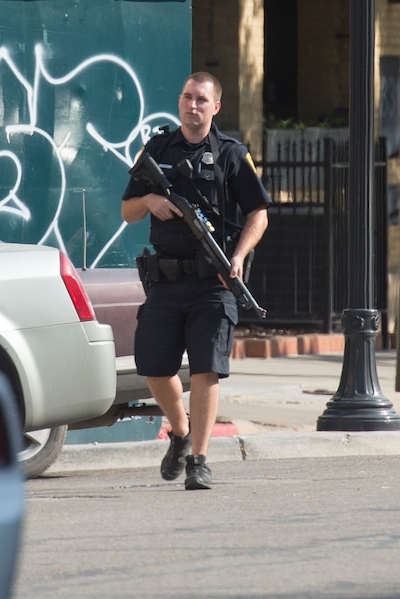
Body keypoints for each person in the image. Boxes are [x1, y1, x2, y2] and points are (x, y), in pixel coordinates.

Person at [121, 72, 271, 490]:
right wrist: (150, 200)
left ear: (215, 107)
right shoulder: (158, 149)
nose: (192, 105)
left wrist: (238, 256)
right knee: (153, 366)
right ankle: (181, 431)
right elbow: (128, 211)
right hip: (166, 280)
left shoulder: (230, 155)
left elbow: (259, 213)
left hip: (214, 279)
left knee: (206, 369)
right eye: (187, 97)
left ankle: (199, 461)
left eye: (201, 99)